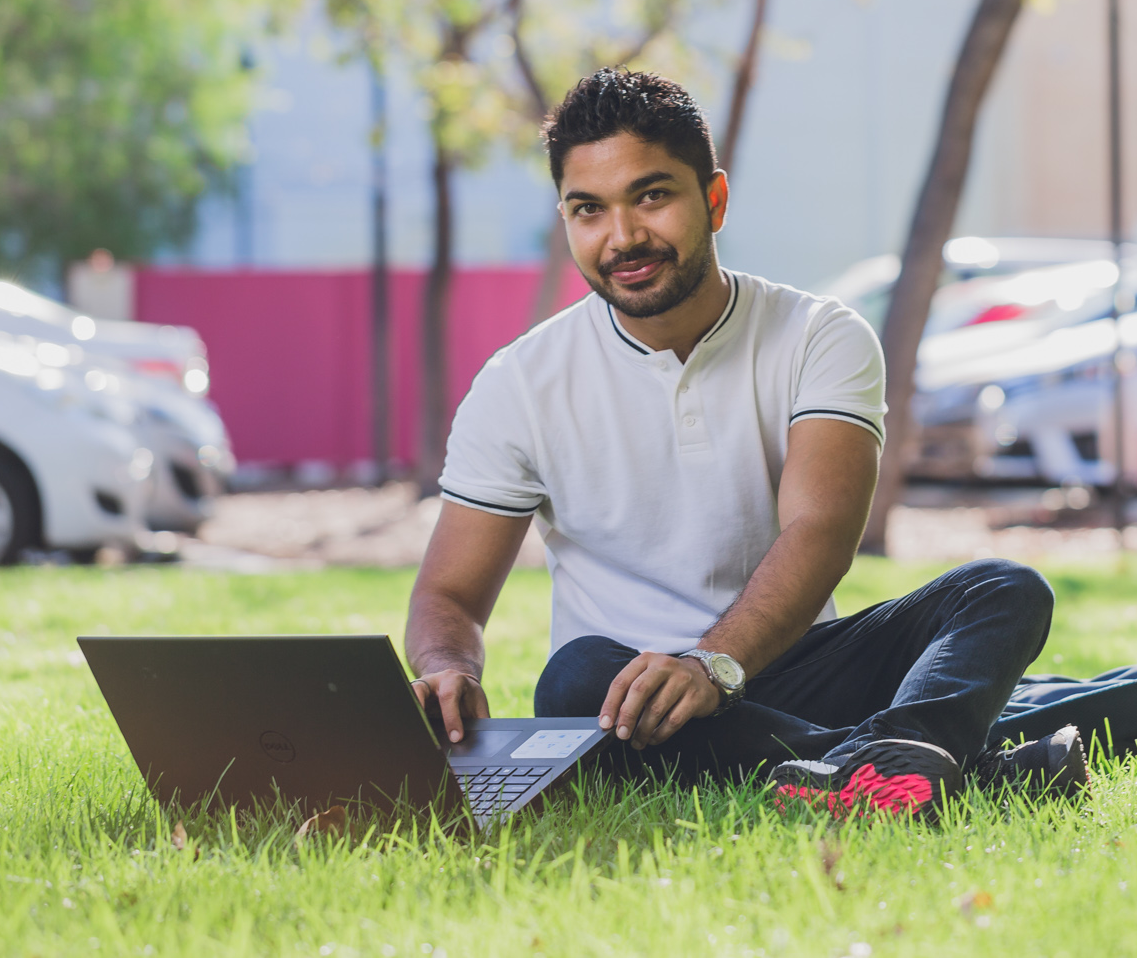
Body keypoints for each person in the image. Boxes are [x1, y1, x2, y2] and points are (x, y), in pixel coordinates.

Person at [403, 69, 1082, 815]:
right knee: (574, 678)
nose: (622, 236)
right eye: (588, 209)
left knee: (1002, 590)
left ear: (715, 200)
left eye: (651, 196)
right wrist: (447, 665)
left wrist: (713, 664)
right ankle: (920, 760)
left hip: (792, 664)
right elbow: (449, 595)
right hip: (626, 702)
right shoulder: (519, 382)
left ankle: (865, 758)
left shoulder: (819, 334)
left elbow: (820, 531)